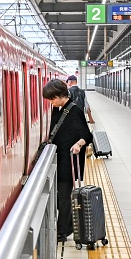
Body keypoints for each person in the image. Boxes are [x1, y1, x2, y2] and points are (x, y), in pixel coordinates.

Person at [43, 79, 93, 243]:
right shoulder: (57, 109)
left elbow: (87, 135)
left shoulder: (75, 111)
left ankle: (62, 232)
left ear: (59, 95)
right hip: (58, 159)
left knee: (64, 197)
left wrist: (78, 144)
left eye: (52, 98)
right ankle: (69, 224)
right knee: (59, 197)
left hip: (69, 162)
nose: (51, 102)